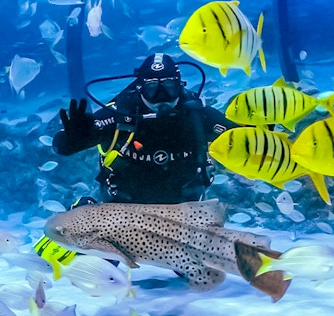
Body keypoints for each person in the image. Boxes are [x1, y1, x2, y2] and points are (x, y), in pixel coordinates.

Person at [52, 53, 238, 205]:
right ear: (140, 89)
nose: (161, 96)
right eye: (152, 88)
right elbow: (62, 147)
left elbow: (244, 136)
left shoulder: (198, 117)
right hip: (122, 210)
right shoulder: (119, 115)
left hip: (187, 211)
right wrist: (75, 137)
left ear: (180, 87)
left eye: (169, 87)